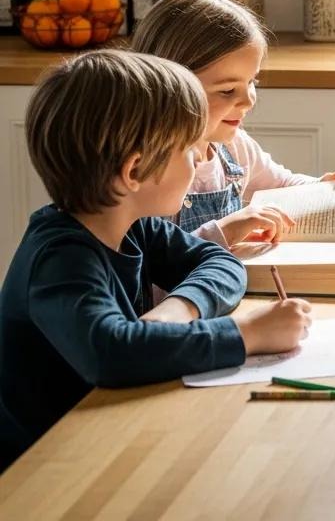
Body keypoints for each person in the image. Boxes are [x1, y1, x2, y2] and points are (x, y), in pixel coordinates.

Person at [0, 50, 310, 470]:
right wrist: (246, 334)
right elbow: (110, 352)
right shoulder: (59, 258)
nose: (200, 160)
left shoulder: (134, 225)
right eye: (188, 150)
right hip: (42, 470)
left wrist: (175, 310)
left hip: (106, 437)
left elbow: (221, 264)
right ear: (135, 171)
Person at [132, 0, 335, 250]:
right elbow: (149, 275)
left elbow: (281, 184)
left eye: (252, 81)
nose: (248, 101)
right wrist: (225, 231)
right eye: (227, 91)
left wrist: (320, 188)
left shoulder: (233, 148)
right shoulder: (142, 170)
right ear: (169, 87)